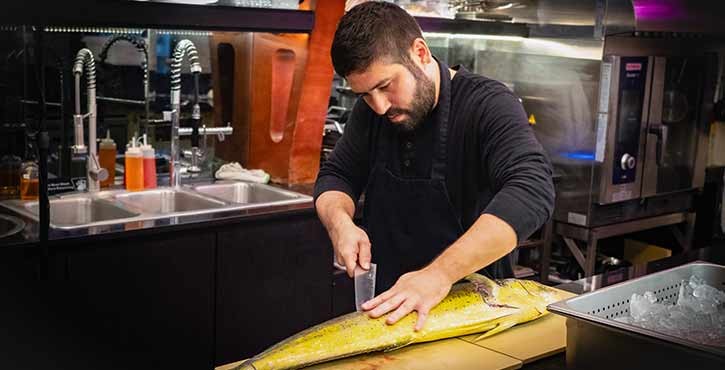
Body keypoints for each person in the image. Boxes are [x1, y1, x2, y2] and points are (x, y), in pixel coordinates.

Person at [314, 1, 555, 331]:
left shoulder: (488, 105)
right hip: (389, 314)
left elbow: (532, 189)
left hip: (475, 314)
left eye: (385, 86)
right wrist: (340, 222)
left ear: (420, 53)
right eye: (366, 95)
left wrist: (438, 275)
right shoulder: (371, 114)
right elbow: (336, 175)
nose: (380, 106)